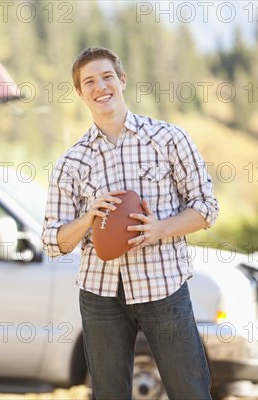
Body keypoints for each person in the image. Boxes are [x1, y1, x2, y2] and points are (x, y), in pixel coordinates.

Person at [42, 46, 219, 399]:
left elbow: (206, 208)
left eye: (107, 76)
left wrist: (160, 229)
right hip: (100, 294)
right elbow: (52, 242)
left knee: (191, 390)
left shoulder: (169, 139)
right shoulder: (70, 163)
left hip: (163, 287)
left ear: (122, 80)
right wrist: (88, 218)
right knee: (108, 394)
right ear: (80, 92)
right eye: (89, 81)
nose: (100, 86)